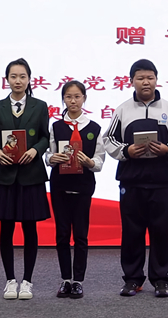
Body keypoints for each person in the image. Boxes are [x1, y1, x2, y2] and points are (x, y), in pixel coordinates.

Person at [103, 59, 168, 298]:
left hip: (162, 181)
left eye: (150, 77)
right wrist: (126, 151)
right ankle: (132, 279)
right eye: (140, 78)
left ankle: (161, 279)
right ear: (132, 81)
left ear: (156, 80)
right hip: (131, 182)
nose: (146, 82)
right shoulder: (122, 110)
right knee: (132, 232)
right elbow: (108, 140)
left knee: (161, 232)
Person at [0, 58, 51, 300]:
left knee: (30, 228)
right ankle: (10, 280)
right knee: (6, 228)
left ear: (29, 79)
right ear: (7, 79)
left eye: (22, 76)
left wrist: (35, 150)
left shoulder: (40, 106)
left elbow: (45, 137)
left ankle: (28, 281)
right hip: (5, 175)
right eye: (13, 76)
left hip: (31, 175)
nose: (18, 81)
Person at [45, 80, 105, 299]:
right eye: (69, 97)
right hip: (60, 186)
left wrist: (90, 162)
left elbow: (100, 159)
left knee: (80, 235)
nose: (73, 101)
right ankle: (65, 279)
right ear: (63, 99)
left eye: (77, 96)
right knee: (62, 234)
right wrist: (52, 158)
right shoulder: (56, 127)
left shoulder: (94, 128)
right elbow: (48, 154)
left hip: (83, 187)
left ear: (84, 99)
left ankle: (78, 280)